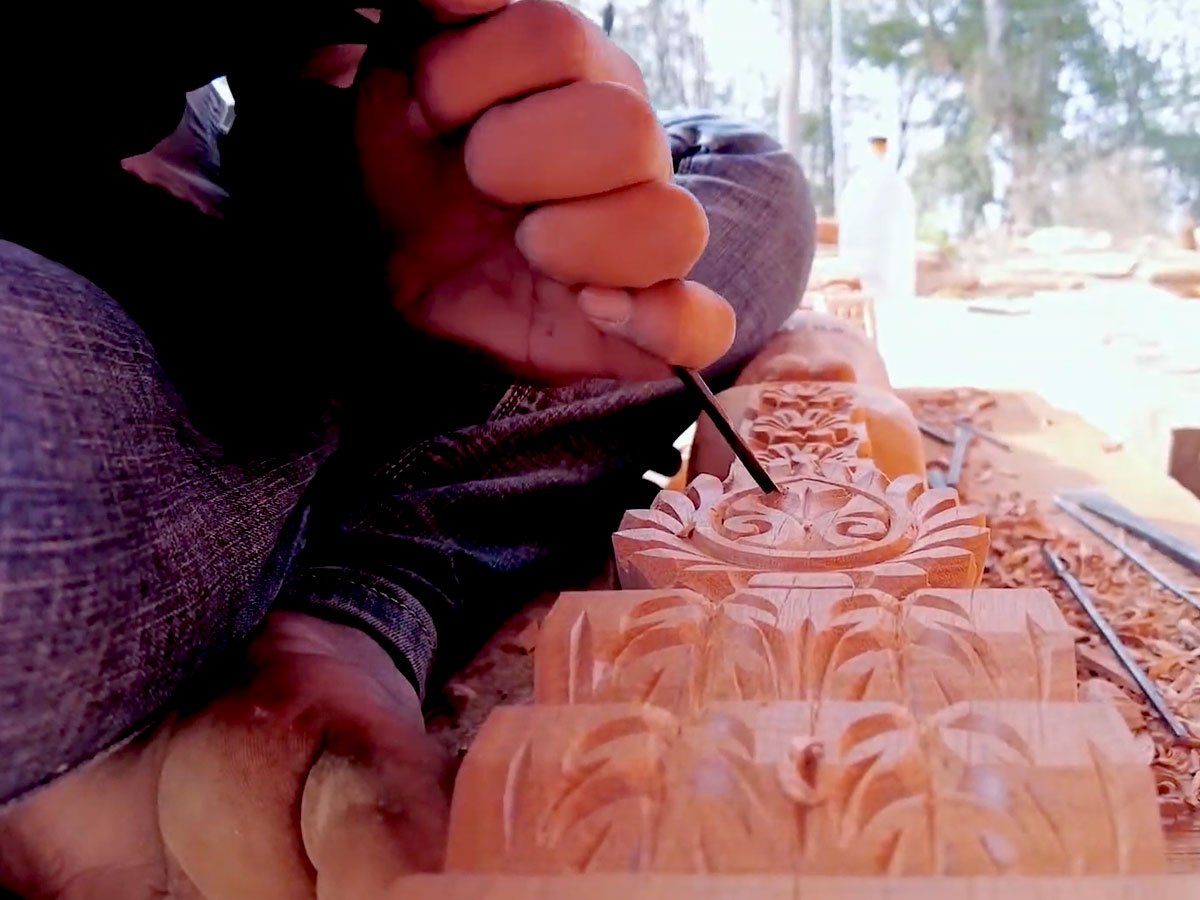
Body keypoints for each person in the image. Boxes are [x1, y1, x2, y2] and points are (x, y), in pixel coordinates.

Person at [0, 3, 816, 897]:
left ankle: (350, 608)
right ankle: (388, 549)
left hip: (259, 265)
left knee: (749, 177)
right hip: (77, 313)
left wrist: (371, 166)